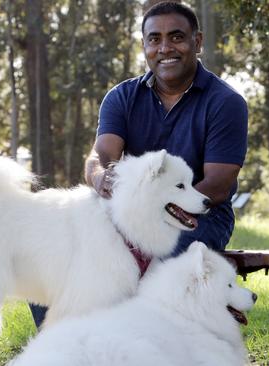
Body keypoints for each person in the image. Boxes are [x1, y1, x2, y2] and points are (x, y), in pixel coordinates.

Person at [30, 1, 248, 328]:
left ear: (197, 42)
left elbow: (217, 185)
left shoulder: (225, 102)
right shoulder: (121, 97)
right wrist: (100, 177)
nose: (165, 48)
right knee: (51, 252)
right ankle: (63, 347)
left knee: (147, 266)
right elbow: (100, 157)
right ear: (144, 45)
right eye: (154, 39)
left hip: (199, 216)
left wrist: (149, 222)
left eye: (176, 37)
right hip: (125, 214)